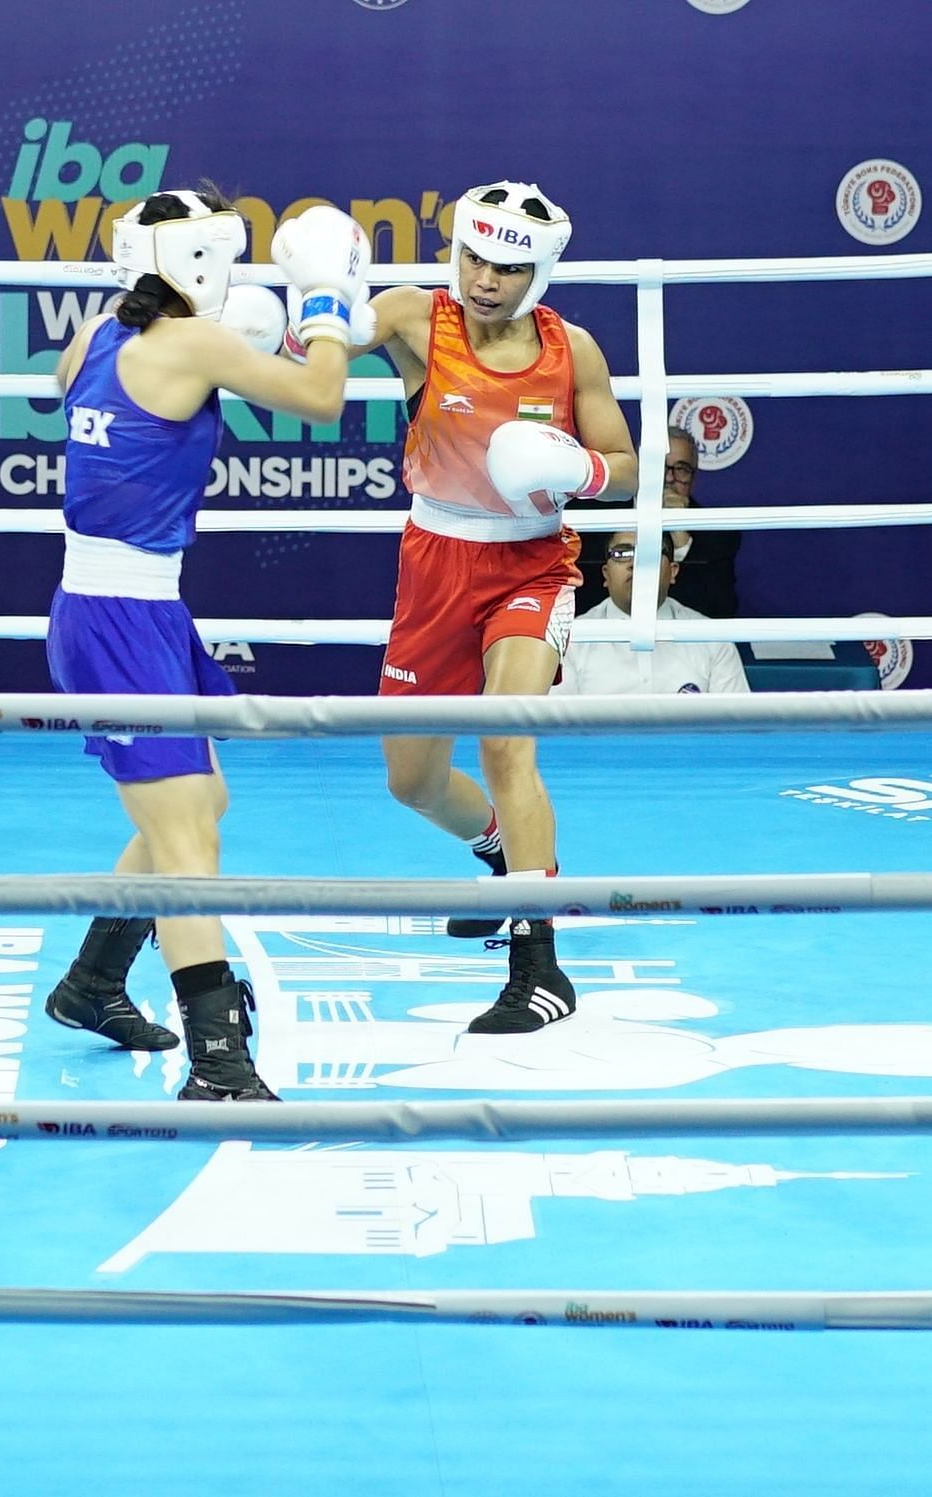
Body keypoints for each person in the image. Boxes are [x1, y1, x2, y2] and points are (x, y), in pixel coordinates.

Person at [44, 186, 370, 1100]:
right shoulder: (187, 340)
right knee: (187, 838)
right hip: (120, 616)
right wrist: (323, 299)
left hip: (114, 602)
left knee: (197, 806)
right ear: (208, 258)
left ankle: (94, 980)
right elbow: (320, 394)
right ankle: (219, 1063)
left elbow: (79, 396)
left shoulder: (98, 332)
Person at [340, 180, 638, 1036]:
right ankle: (508, 855)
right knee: (414, 783)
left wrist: (576, 469)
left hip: (533, 564)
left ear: (539, 270)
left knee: (508, 738)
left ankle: (540, 966)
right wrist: (311, 308)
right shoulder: (410, 318)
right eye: (474, 257)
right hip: (434, 559)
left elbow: (621, 462)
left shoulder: (570, 349)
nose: (485, 279)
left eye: (508, 266)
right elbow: (310, 357)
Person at [568, 425, 742, 617]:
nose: (668, 477)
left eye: (682, 469)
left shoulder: (718, 535)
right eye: (659, 466)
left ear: (693, 480)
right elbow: (580, 597)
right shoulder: (592, 516)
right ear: (637, 469)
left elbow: (717, 611)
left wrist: (682, 543)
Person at [553, 529, 750, 694]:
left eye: (649, 552)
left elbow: (736, 731)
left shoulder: (713, 639)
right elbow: (555, 730)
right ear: (606, 574)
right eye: (622, 554)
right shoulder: (570, 639)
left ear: (673, 571)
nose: (635, 563)